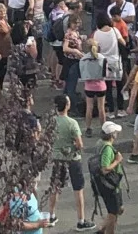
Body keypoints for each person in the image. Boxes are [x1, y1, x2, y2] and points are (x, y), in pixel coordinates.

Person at [47, 94, 93, 230]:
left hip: (57, 158)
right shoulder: (72, 123)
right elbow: (79, 144)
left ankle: (51, 215)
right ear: (67, 106)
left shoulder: (52, 122)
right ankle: (81, 220)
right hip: (72, 158)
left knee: (55, 187)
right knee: (78, 189)